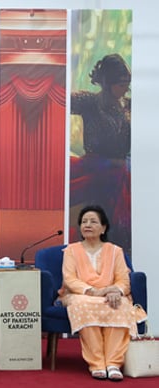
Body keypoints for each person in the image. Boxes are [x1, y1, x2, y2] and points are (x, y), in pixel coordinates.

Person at [57, 205, 146, 381]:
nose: (87, 225)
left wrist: (116, 291)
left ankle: (113, 363)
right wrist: (95, 291)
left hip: (110, 294)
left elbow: (123, 280)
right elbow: (70, 279)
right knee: (83, 305)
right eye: (84, 222)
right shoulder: (71, 251)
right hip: (80, 294)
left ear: (103, 227)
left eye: (93, 221)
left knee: (119, 306)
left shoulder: (115, 251)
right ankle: (97, 363)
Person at [70, 54, 132, 252]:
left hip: (122, 170)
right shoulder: (89, 101)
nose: (125, 89)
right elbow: (59, 98)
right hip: (96, 170)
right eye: (121, 84)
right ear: (108, 83)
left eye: (127, 84)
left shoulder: (129, 105)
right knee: (99, 216)